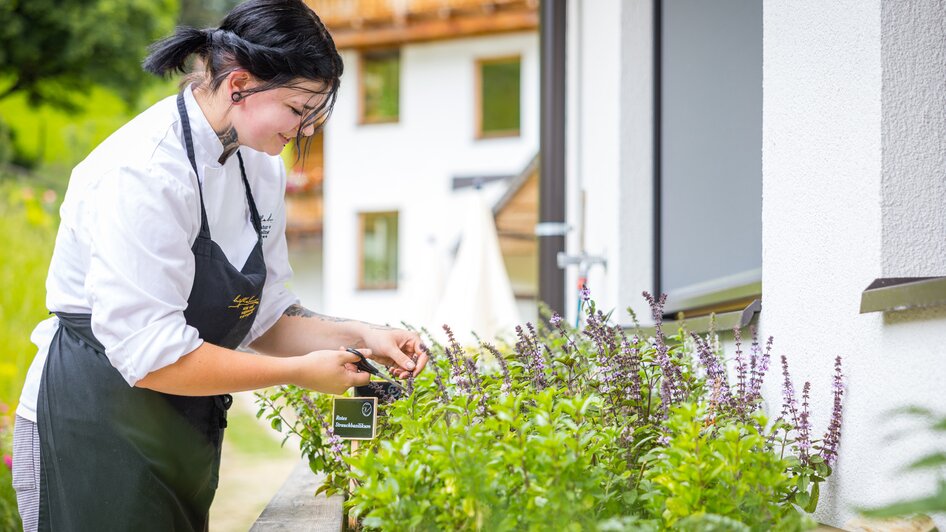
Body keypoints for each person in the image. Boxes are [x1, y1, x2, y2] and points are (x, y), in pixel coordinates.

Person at [10, 1, 428, 530]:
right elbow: (151, 355)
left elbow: (266, 316)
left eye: (314, 115)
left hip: (180, 425)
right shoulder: (145, 172)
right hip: (90, 421)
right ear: (239, 86)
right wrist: (299, 374)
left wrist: (367, 336)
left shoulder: (261, 166)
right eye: (299, 110)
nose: (304, 131)